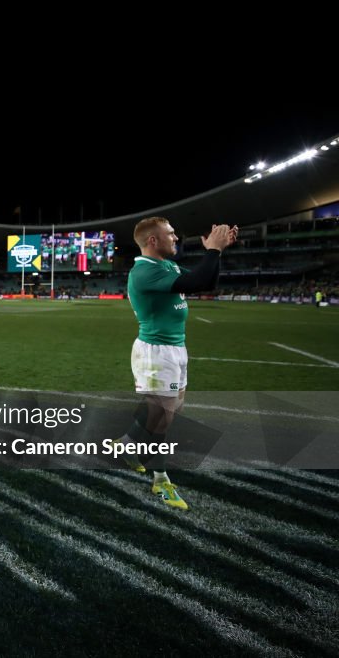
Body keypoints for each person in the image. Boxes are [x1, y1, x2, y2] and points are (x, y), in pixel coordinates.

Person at [113, 217, 237, 511]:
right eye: (170, 234)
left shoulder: (165, 266)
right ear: (153, 241)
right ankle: (160, 480)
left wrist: (216, 252)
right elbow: (200, 280)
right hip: (157, 353)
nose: (176, 238)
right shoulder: (143, 272)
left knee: (167, 410)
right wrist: (214, 250)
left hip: (175, 348)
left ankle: (126, 445)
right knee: (164, 418)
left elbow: (207, 282)